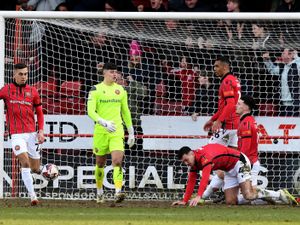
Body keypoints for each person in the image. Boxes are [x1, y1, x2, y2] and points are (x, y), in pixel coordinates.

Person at [172, 144, 297, 206]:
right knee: (231, 201)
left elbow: (205, 178)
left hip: (239, 162)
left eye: (186, 160)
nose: (186, 163)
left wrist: (199, 196)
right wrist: (184, 200)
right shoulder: (194, 162)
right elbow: (191, 181)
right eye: (183, 162)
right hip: (229, 170)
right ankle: (266, 197)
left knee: (248, 195)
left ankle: (279, 194)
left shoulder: (204, 157)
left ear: (191, 153)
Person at [87, 62, 135, 204]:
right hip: (101, 131)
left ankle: (118, 191)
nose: (115, 74)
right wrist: (103, 122)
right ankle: (100, 192)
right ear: (104, 73)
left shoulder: (121, 90)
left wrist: (131, 131)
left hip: (117, 130)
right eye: (112, 72)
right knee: (100, 163)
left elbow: (125, 111)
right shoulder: (95, 89)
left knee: (117, 161)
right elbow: (90, 111)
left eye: (116, 72)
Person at [236, 95, 297, 205]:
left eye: (239, 104)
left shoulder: (247, 123)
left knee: (246, 196)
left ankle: (278, 194)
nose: (236, 105)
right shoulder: (248, 121)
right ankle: (278, 198)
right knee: (249, 197)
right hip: (251, 161)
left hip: (249, 163)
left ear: (246, 107)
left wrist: (239, 163)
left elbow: (245, 149)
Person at [0, 63, 45, 206]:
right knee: (24, 163)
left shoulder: (33, 91)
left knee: (35, 168)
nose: (23, 76)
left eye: (25, 74)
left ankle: (47, 170)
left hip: (32, 135)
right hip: (16, 135)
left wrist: (41, 130)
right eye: (21, 74)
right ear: (14, 74)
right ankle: (33, 197)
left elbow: (39, 112)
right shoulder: (6, 90)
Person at [263, 48, 300, 116]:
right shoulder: (282, 67)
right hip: (282, 103)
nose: (281, 55)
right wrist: (267, 60)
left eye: (283, 53)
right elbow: (272, 70)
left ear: (291, 55)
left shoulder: (297, 66)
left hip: (295, 104)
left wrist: (296, 57)